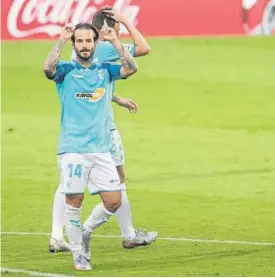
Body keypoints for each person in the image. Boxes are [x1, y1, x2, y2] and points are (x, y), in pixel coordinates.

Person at [49, 8, 157, 254]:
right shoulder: (106, 47)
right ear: (104, 31)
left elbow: (92, 86)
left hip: (89, 127)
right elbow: (143, 48)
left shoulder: (84, 52)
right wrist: (125, 22)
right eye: (114, 30)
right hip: (103, 129)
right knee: (117, 182)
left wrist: (116, 98)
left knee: (68, 183)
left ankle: (57, 235)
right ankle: (124, 234)